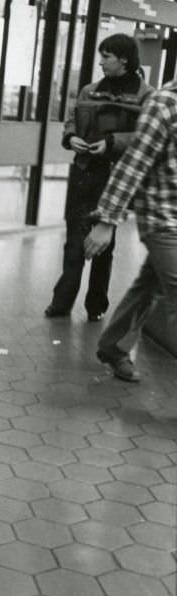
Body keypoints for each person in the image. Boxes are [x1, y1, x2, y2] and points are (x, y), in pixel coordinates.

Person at [45, 34, 153, 322]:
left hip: (115, 177)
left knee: (105, 245)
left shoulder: (146, 96)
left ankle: (96, 305)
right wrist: (71, 138)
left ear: (124, 59)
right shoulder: (90, 91)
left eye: (107, 56)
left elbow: (145, 136)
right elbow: (72, 118)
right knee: (74, 240)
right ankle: (62, 302)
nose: (101, 61)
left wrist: (111, 141)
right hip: (84, 171)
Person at [84, 77, 177, 382]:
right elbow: (133, 163)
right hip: (163, 218)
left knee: (149, 285)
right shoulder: (165, 104)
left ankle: (113, 346)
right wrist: (106, 219)